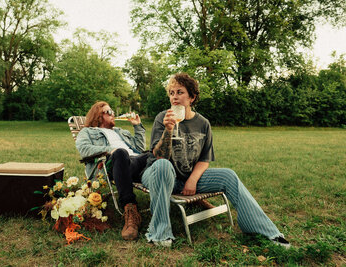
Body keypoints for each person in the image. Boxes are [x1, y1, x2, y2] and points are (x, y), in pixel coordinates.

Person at [141, 73, 291, 248]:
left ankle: (263, 231)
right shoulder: (162, 118)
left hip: (187, 176)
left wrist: (192, 180)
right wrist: (168, 130)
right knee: (163, 165)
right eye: (171, 93)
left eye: (180, 92)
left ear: (192, 97)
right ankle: (160, 233)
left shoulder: (203, 123)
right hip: (159, 175)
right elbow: (159, 156)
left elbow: (205, 158)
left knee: (228, 175)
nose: (174, 97)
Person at [75, 101, 149, 241]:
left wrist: (137, 126)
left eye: (113, 111)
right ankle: (130, 210)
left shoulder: (121, 131)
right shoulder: (87, 132)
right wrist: (110, 150)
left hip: (134, 161)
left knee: (157, 151)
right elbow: (84, 150)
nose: (113, 114)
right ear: (98, 115)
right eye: (109, 112)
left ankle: (180, 191)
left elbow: (139, 148)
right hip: (111, 164)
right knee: (120, 153)